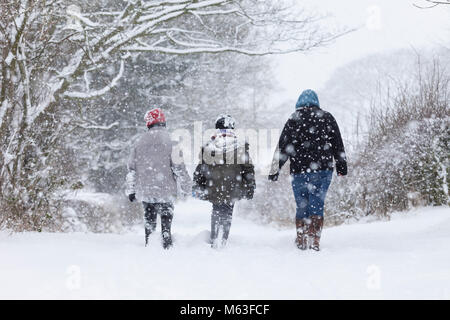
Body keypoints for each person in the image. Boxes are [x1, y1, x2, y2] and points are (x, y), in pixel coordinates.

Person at [268, 89, 347, 251]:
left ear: (299, 103)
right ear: (316, 102)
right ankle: (315, 239)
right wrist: (341, 166)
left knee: (302, 204)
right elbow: (337, 143)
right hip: (323, 169)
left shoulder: (293, 119)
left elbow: (283, 147)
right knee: (317, 203)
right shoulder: (327, 118)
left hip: (299, 170)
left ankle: (302, 239)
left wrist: (275, 170)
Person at [126, 108, 191, 248]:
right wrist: (186, 188)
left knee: (149, 220)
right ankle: (166, 243)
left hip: (146, 191)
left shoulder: (138, 143)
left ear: (148, 123)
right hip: (166, 191)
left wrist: (131, 190)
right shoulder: (171, 142)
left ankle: (150, 244)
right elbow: (180, 169)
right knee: (166, 220)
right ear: (163, 122)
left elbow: (132, 170)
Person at [193, 115, 255, 248]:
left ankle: (215, 237)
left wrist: (198, 185)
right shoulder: (240, 146)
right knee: (227, 212)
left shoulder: (210, 146)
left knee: (216, 210)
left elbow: (201, 169)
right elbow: (248, 169)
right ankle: (223, 240)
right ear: (232, 127)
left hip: (213, 186)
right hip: (233, 186)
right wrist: (250, 187)